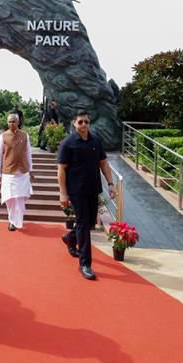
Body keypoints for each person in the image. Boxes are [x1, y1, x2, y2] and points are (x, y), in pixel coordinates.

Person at [57, 110, 115, 281]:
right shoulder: (68, 143)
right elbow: (61, 169)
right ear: (74, 123)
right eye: (80, 122)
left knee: (89, 223)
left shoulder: (96, 141)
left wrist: (110, 184)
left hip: (93, 189)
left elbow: (103, 163)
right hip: (76, 191)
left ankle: (69, 237)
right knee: (83, 223)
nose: (83, 125)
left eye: (86, 122)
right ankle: (85, 264)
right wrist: (63, 193)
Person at [0, 113, 34, 231]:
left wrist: (31, 169)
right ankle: (12, 221)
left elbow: (29, 153)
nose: (11, 123)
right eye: (9, 122)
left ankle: (19, 220)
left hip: (23, 173)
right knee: (10, 199)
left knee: (21, 198)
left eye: (13, 121)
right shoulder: (3, 136)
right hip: (8, 173)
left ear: (18, 122)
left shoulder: (25, 135)